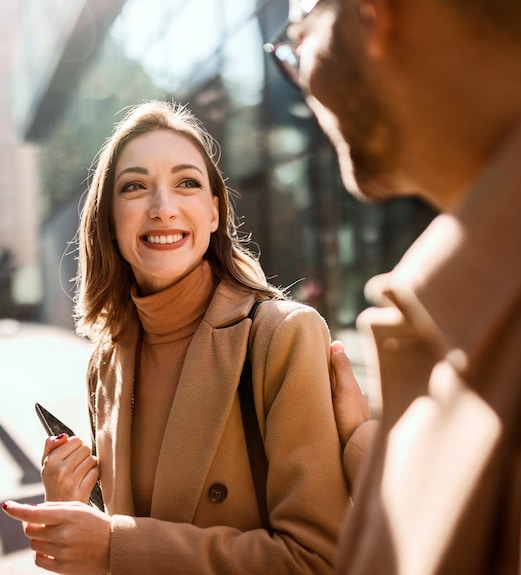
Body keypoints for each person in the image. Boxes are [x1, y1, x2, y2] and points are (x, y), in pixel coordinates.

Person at [2, 100, 358, 574]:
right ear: (109, 219)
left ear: (213, 213)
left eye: (186, 183)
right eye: (134, 187)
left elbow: (318, 560)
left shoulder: (282, 336)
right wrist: (76, 512)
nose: (163, 208)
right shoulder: (106, 363)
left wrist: (113, 545)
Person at [265, 0, 521, 573]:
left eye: (299, 36)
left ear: (374, 12)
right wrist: (372, 442)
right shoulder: (459, 313)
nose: (302, 80)